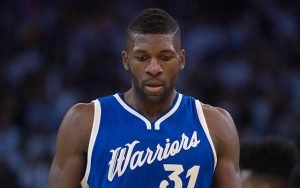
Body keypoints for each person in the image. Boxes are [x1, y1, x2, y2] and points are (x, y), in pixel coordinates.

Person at [48, 8, 241, 188]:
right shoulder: (83, 121)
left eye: (165, 57)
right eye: (142, 58)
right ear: (126, 60)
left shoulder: (216, 125)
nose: (154, 68)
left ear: (181, 60)